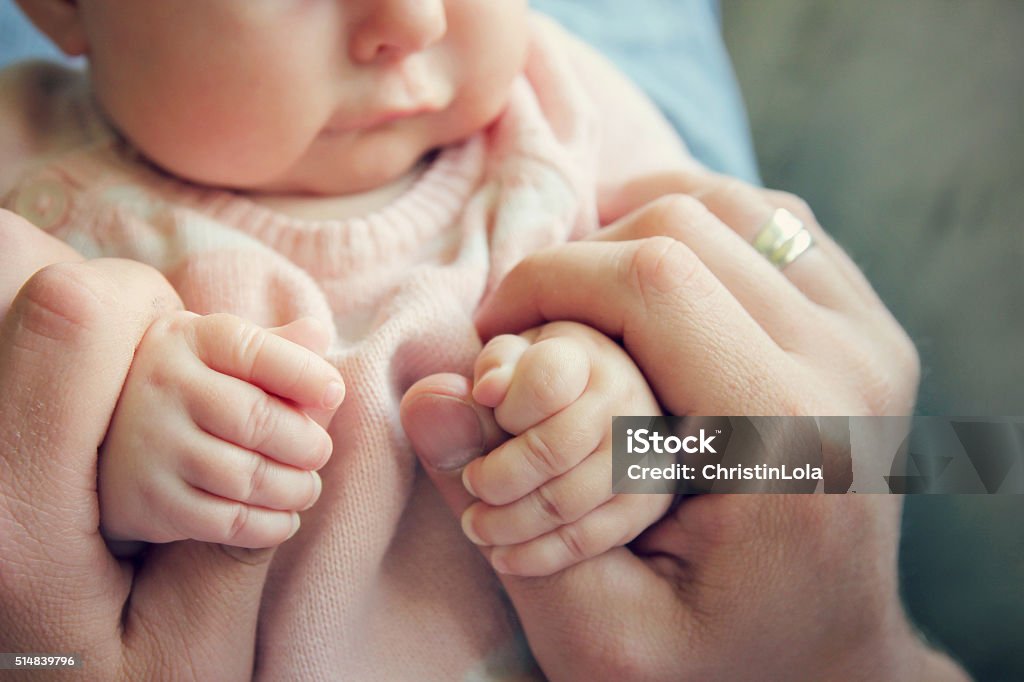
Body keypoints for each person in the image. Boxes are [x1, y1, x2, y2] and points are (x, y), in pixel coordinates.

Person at [0, 2, 969, 681]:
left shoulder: (561, 104)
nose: (412, 19)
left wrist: (619, 412)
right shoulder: (20, 160)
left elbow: (755, 388)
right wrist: (106, 467)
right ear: (61, 8)